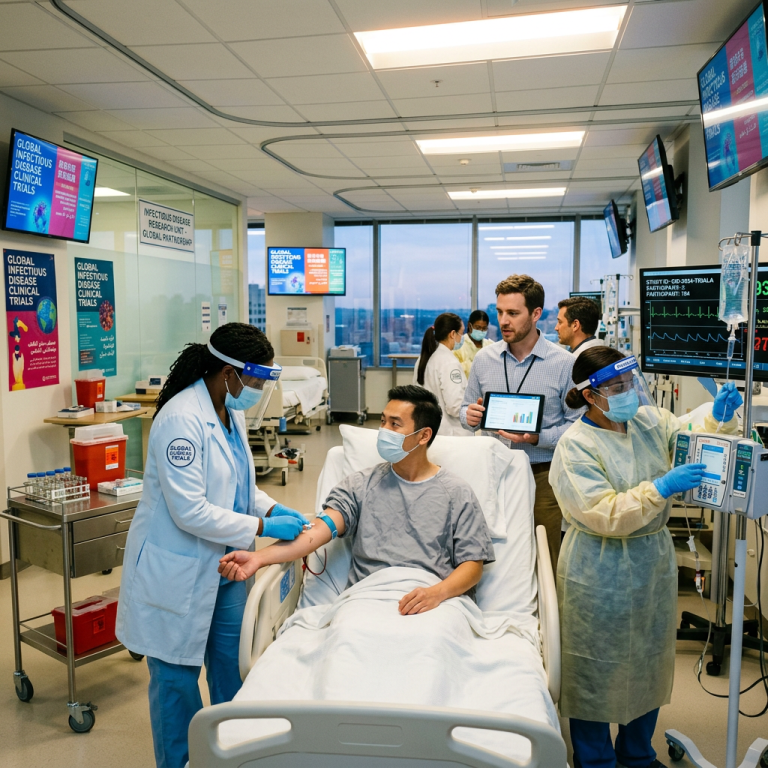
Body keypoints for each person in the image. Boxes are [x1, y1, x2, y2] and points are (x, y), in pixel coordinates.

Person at [116, 323, 310, 768]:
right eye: (257, 379)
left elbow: (239, 486)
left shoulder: (230, 411)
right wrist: (262, 525)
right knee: (176, 687)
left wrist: (275, 507)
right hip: (177, 574)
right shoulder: (182, 420)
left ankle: (233, 758)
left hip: (225, 568)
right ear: (229, 372)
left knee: (233, 672)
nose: (260, 389)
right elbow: (191, 511)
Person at [549, 347, 742, 768]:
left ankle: (637, 754)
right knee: (595, 668)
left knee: (648, 662)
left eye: (630, 383)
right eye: (616, 387)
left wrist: (718, 416)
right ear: (589, 395)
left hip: (651, 562)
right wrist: (661, 487)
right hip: (598, 567)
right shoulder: (574, 447)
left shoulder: (648, 421)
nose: (628, 393)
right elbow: (603, 513)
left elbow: (690, 430)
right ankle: (595, 759)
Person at [219, 385, 495, 612]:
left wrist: (436, 593)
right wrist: (259, 558)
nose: (383, 430)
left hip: (434, 601)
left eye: (395, 424)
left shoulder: (457, 493)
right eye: (383, 421)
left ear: (423, 435)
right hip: (368, 599)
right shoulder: (360, 485)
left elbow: (472, 565)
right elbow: (316, 533)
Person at [461, 275, 581, 569]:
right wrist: (469, 416)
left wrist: (537, 437)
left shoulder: (563, 363)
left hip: (542, 476)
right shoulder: (484, 359)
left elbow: (578, 427)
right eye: (500, 312)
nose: (503, 321)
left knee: (545, 555)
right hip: (493, 472)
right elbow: (466, 409)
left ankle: (546, 616)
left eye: (513, 313)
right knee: (494, 555)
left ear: (536, 314)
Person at [413, 313, 469, 437]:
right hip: (450, 434)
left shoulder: (424, 358)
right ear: (452, 334)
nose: (462, 338)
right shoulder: (449, 363)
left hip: (429, 429)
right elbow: (455, 407)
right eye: (461, 333)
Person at [454, 309, 493, 377]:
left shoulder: (490, 346)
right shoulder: (459, 346)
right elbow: (455, 372)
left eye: (484, 328)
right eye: (478, 327)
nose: (481, 331)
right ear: (469, 326)